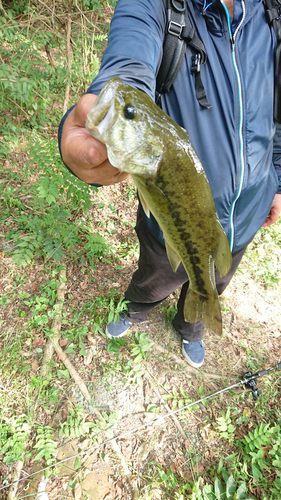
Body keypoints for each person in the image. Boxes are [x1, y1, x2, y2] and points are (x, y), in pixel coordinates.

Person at [59, 0, 281, 368]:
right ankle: (136, 308)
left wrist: (278, 182)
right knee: (156, 273)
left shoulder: (274, 15)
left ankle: (191, 326)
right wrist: (95, 120)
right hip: (168, 227)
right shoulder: (157, 5)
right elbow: (127, 70)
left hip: (248, 215)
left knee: (215, 281)